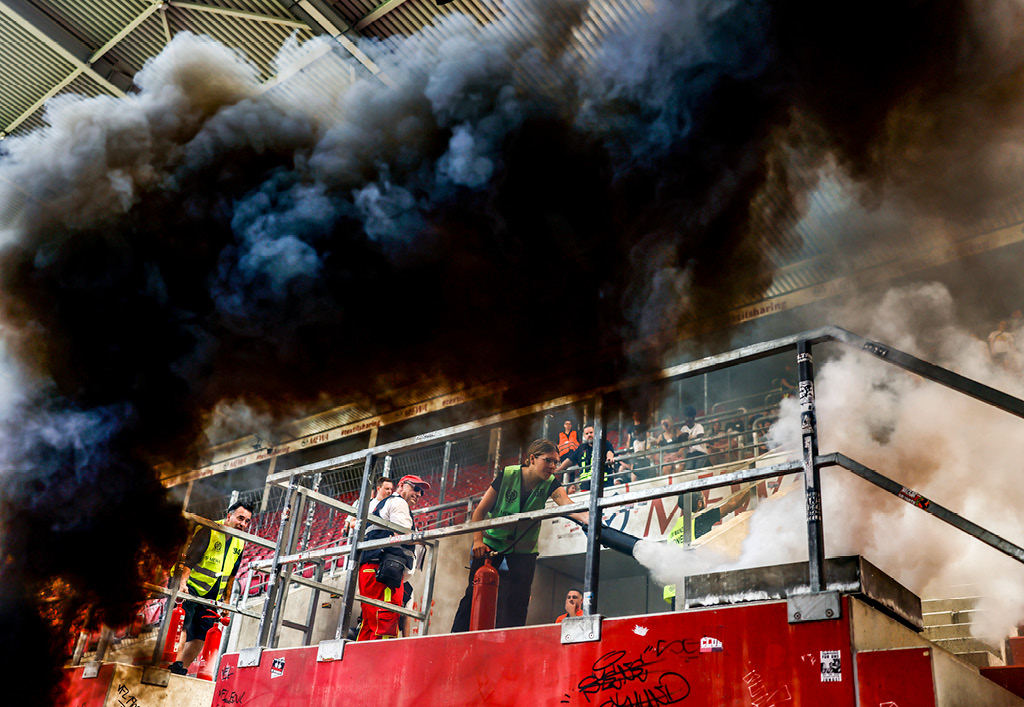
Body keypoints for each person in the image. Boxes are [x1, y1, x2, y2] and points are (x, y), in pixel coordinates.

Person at [451, 440, 586, 632]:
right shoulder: (507, 475)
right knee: (473, 593)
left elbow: (566, 503)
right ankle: (457, 636)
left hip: (524, 550)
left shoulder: (550, 483)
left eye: (556, 462)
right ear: (532, 458)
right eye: (548, 461)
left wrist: (589, 518)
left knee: (519, 599)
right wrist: (478, 541)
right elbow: (479, 512)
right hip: (491, 543)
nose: (553, 466)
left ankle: (512, 641)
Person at [169, 501, 253, 675]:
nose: (243, 524)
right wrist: (182, 583)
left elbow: (232, 575)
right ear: (229, 516)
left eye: (247, 521)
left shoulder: (240, 542)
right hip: (190, 584)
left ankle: (180, 669)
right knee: (183, 624)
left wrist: (226, 603)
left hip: (212, 592)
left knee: (202, 633)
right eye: (240, 518)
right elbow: (190, 559)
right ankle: (172, 664)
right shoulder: (209, 530)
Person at [356, 474, 429, 641]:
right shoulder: (398, 502)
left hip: (373, 570)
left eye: (422, 492)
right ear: (402, 485)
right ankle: (379, 666)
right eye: (415, 488)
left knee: (370, 626)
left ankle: (360, 664)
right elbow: (403, 534)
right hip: (384, 573)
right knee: (385, 626)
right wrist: (422, 538)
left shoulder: (389, 503)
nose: (418, 494)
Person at [555, 425, 616, 490]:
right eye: (587, 434)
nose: (589, 435)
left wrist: (610, 458)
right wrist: (558, 469)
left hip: (604, 483)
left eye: (591, 432)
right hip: (585, 486)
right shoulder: (581, 448)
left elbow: (609, 452)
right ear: (584, 436)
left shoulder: (604, 443)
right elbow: (570, 460)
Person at [678, 406, 709, 470]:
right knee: (689, 468)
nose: (687, 419)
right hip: (690, 453)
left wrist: (689, 439)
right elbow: (683, 440)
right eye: (686, 417)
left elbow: (700, 436)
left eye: (689, 417)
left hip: (700, 451)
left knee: (698, 469)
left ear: (692, 418)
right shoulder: (683, 428)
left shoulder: (698, 426)